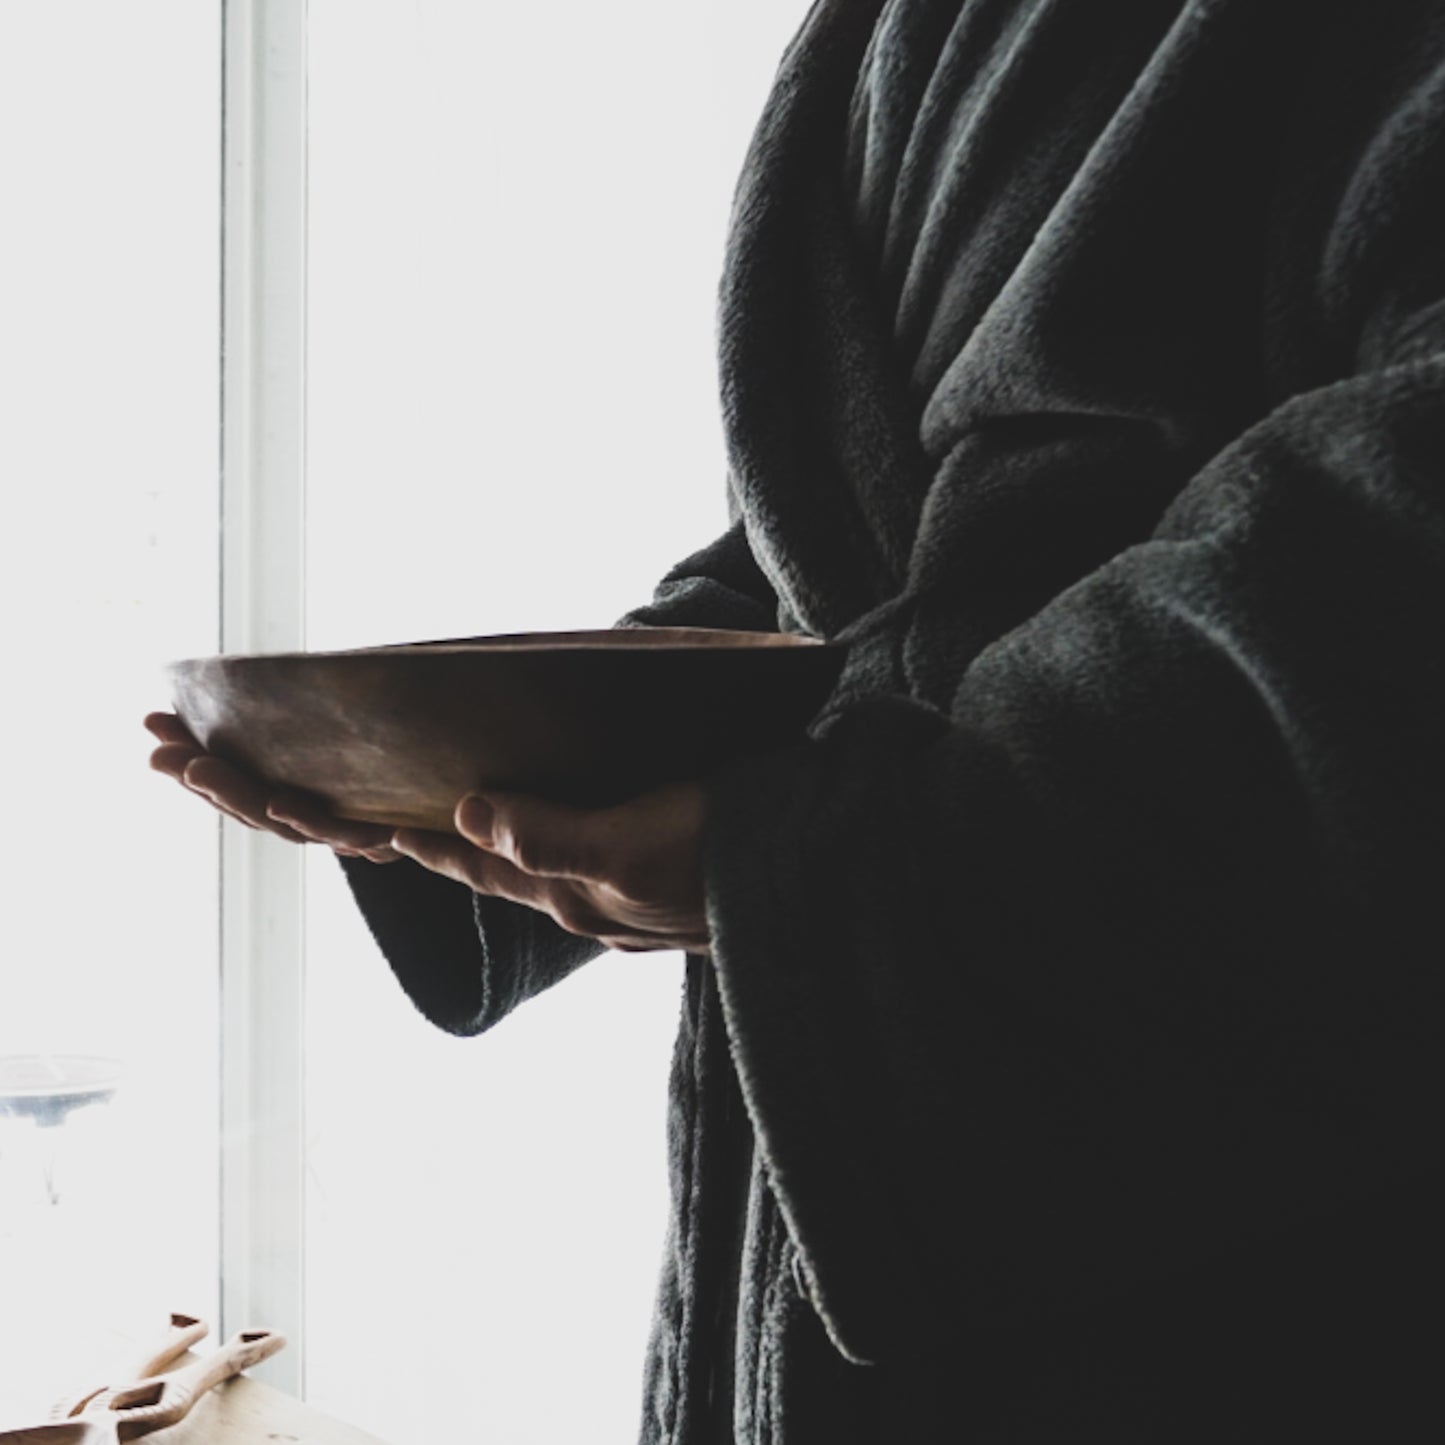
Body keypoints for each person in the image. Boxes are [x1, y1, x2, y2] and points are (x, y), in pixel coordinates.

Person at [150, 0, 1445, 1438]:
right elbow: (822, 543)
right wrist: (449, 768)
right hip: (854, 1162)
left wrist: (832, 850)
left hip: (1206, 1185)